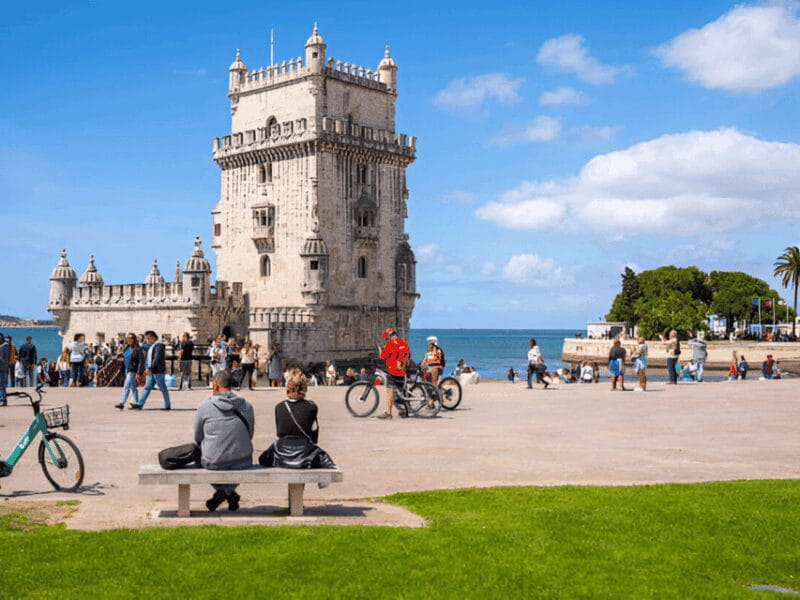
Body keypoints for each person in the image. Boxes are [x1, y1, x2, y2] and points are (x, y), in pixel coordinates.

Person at [194, 370, 255, 512]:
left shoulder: (204, 407)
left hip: (214, 461)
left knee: (202, 455)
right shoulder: (247, 406)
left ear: (215, 385)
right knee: (233, 455)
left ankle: (223, 493)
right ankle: (229, 493)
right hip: (243, 460)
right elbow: (249, 434)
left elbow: (197, 437)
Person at [258, 370, 335, 472]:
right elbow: (313, 436)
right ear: (304, 388)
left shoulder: (279, 407)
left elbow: (279, 432)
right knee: (323, 458)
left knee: (264, 457)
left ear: (288, 389)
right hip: (304, 452)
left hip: (281, 451)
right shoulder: (311, 407)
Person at [132, 331, 171, 410]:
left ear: (153, 337)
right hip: (152, 371)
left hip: (157, 371)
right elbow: (143, 346)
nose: (147, 341)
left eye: (148, 339)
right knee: (147, 387)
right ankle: (140, 404)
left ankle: (167, 405)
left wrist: (150, 368)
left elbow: (156, 358)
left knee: (163, 388)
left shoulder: (159, 345)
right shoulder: (152, 345)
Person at [378, 327, 410, 419]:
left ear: (389, 337)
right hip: (402, 371)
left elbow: (383, 356)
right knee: (400, 391)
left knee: (390, 391)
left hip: (392, 371)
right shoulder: (404, 343)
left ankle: (388, 413)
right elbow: (407, 356)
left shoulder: (390, 344)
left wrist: (380, 350)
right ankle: (405, 410)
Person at [116, 334, 144, 409]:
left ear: (134, 339)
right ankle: (136, 403)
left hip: (133, 370)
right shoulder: (126, 348)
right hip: (126, 370)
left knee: (126, 386)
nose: (130, 340)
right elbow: (124, 357)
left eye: (131, 338)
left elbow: (141, 361)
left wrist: (139, 372)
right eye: (128, 339)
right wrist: (121, 359)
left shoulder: (138, 349)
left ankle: (122, 403)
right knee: (133, 387)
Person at [0, 334, 9, 407]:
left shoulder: (4, 346)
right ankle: (3, 399)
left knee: (2, 385)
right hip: (3, 368)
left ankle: (3, 399)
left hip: (2, 368)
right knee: (2, 385)